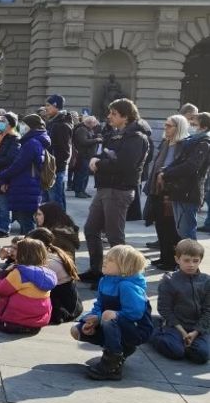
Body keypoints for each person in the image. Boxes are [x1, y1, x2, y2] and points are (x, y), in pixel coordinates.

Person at [80, 99, 150, 286]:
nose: (109, 116)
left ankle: (119, 275)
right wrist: (97, 159)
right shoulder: (116, 134)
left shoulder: (136, 137)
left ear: (125, 116)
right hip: (105, 188)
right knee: (91, 229)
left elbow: (125, 165)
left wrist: (99, 164)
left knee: (114, 236)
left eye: (113, 113)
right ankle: (97, 270)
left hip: (119, 190)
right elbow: (106, 154)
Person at [71, 244, 152, 380]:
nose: (105, 261)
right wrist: (94, 319)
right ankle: (122, 350)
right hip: (113, 324)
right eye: (106, 258)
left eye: (110, 260)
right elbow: (99, 305)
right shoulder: (105, 280)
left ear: (124, 268)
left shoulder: (127, 285)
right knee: (76, 330)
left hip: (136, 330)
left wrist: (114, 315)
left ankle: (112, 364)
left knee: (108, 316)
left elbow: (136, 312)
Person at [0, 237, 57, 334]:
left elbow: (0, 290)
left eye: (17, 250)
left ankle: (6, 323)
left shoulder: (20, 273)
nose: (13, 252)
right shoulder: (48, 273)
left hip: (15, 322)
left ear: (23, 254)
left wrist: (3, 273)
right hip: (37, 323)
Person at [150, 239, 210, 364]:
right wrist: (182, 332)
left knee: (202, 355)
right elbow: (164, 308)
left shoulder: (206, 281)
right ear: (177, 259)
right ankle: (153, 331)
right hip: (176, 325)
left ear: (200, 260)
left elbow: (208, 309)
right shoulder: (169, 280)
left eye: (195, 261)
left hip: (197, 326)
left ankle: (189, 344)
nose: (191, 265)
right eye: (186, 260)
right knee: (176, 352)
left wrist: (196, 331)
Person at [145, 115, 190, 270]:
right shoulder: (166, 143)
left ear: (179, 128)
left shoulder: (184, 145)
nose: (166, 128)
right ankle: (164, 257)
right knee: (160, 226)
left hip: (171, 191)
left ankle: (171, 261)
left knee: (170, 228)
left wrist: (165, 174)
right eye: (165, 125)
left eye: (169, 125)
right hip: (157, 189)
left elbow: (181, 168)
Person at [158, 111, 210, 242]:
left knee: (187, 233)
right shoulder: (191, 142)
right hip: (180, 190)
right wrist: (165, 170)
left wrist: (167, 173)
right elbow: (179, 161)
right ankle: (184, 260)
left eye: (194, 124)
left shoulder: (204, 144)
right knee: (181, 230)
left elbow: (190, 166)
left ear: (203, 127)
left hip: (189, 192)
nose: (191, 126)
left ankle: (192, 261)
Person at [0, 113, 50, 234]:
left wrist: (3, 175)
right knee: (27, 220)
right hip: (28, 185)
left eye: (23, 124)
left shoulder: (31, 143)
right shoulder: (35, 141)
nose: (21, 126)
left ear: (30, 126)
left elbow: (19, 164)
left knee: (27, 222)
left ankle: (31, 248)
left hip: (26, 185)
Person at [27, 227, 82, 324]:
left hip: (62, 308)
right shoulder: (52, 254)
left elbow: (30, 283)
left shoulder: (49, 263)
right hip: (69, 302)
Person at [43, 94, 74, 210]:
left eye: (48, 105)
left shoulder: (61, 125)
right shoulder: (53, 122)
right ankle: (61, 224)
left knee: (55, 200)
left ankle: (58, 224)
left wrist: (54, 167)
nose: (46, 108)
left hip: (54, 168)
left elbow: (64, 151)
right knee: (56, 197)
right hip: (51, 166)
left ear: (56, 106)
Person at [71, 115, 100, 198]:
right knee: (81, 174)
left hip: (87, 155)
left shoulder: (88, 129)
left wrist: (95, 137)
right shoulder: (82, 129)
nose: (95, 125)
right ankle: (79, 191)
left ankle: (82, 190)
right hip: (83, 155)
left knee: (85, 174)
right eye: (94, 123)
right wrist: (96, 140)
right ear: (90, 123)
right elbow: (83, 141)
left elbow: (88, 138)